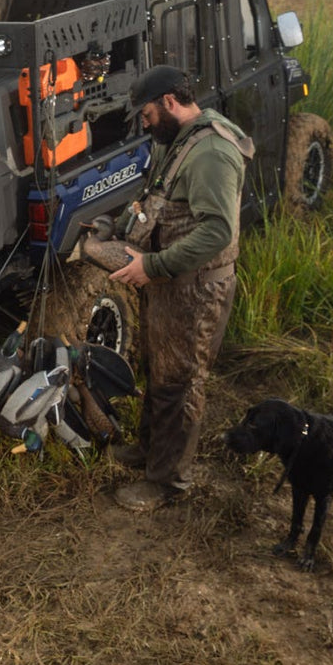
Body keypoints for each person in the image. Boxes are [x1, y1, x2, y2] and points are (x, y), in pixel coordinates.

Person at [107, 65, 254, 512]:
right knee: (161, 370)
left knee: (181, 382)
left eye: (148, 114)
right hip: (171, 283)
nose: (145, 123)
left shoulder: (210, 152)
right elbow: (163, 204)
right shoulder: (182, 141)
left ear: (170, 102)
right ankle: (150, 451)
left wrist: (153, 266)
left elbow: (217, 232)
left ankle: (168, 481)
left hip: (194, 289)